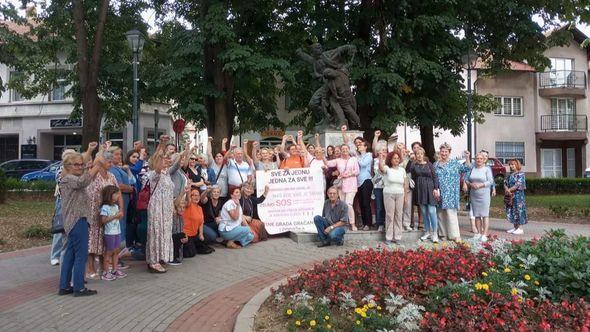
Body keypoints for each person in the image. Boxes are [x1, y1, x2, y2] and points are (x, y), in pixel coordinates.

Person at [58, 142, 104, 297]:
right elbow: (83, 181)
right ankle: (79, 287)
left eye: (80, 165)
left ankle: (64, 286)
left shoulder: (71, 177)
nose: (79, 167)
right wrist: (97, 163)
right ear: (67, 166)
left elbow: (86, 177)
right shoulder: (68, 178)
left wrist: (93, 161)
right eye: (75, 165)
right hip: (77, 220)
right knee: (81, 255)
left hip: (76, 221)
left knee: (71, 254)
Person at [86, 149, 120, 279]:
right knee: (92, 240)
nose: (111, 164)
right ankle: (90, 267)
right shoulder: (94, 173)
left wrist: (119, 208)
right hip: (94, 210)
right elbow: (97, 162)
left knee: (104, 240)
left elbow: (118, 192)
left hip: (107, 210)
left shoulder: (111, 176)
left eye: (112, 161)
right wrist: (101, 150)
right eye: (108, 161)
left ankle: (103, 266)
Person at [146, 136, 175, 273]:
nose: (166, 161)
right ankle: (153, 261)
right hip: (157, 208)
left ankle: (162, 256)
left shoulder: (166, 174)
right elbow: (157, 161)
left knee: (165, 232)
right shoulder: (153, 174)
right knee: (156, 233)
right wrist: (162, 144)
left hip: (167, 208)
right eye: (163, 160)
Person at [434, 143, 471, 242]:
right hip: (439, 192)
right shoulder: (436, 164)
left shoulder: (454, 163)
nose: (444, 153)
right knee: (440, 213)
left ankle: (454, 235)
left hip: (451, 192)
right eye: (442, 151)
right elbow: (433, 177)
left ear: (449, 152)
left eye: (446, 151)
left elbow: (467, 168)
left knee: (451, 213)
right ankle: (443, 234)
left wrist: (467, 157)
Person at [408, 147, 440, 243]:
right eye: (417, 154)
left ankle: (435, 233)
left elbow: (435, 177)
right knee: (424, 212)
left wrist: (436, 188)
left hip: (430, 189)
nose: (419, 155)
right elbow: (411, 176)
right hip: (419, 190)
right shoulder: (414, 165)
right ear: (415, 155)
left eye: (421, 154)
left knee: (431, 211)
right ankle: (427, 232)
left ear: (424, 154)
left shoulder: (429, 164)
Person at [326, 144, 359, 231]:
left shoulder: (353, 159)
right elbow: (327, 163)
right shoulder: (338, 160)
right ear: (340, 151)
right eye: (342, 149)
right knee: (342, 205)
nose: (344, 150)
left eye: (346, 148)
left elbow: (357, 171)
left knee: (349, 204)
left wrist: (347, 174)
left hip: (351, 183)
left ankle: (352, 224)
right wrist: (322, 156)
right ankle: (345, 223)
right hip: (341, 185)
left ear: (348, 149)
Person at [464, 153, 494, 242]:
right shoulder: (472, 168)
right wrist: (470, 184)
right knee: (476, 215)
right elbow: (467, 179)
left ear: (484, 160)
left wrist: (481, 185)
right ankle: (478, 233)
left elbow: (491, 181)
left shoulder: (486, 169)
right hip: (474, 194)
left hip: (484, 194)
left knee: (485, 215)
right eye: (477, 158)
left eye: (481, 158)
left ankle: (484, 234)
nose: (479, 160)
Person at [99, 185, 127, 281]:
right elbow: (103, 220)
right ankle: (106, 271)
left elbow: (118, 217)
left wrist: (119, 216)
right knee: (109, 251)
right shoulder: (105, 207)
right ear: (109, 195)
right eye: (115, 194)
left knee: (116, 250)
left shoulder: (115, 206)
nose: (117, 196)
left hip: (117, 231)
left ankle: (115, 269)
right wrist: (115, 216)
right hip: (109, 233)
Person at [379, 151, 407, 244]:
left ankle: (398, 237)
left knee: (399, 215)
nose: (396, 160)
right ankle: (389, 237)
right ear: (390, 160)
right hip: (389, 193)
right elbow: (381, 168)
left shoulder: (402, 170)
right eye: (394, 158)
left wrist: (406, 196)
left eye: (398, 158)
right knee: (390, 215)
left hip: (400, 194)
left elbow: (405, 183)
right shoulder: (387, 168)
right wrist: (380, 157)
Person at [183, 188, 214, 257]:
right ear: (190, 197)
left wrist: (201, 234)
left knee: (208, 239)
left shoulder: (200, 208)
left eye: (197, 195)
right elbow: (187, 199)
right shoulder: (188, 205)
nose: (196, 197)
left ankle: (194, 245)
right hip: (186, 234)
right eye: (193, 195)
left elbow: (201, 223)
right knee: (191, 254)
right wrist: (188, 191)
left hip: (195, 234)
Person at [504, 159, 527, 235]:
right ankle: (515, 227)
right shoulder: (510, 174)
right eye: (510, 165)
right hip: (510, 195)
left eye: (513, 164)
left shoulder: (521, 174)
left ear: (517, 165)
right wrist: (507, 189)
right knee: (512, 210)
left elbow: (518, 184)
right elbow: (505, 183)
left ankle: (520, 228)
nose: (511, 166)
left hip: (518, 196)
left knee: (518, 210)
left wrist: (509, 190)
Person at [356, 139, 374, 230]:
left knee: (366, 203)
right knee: (361, 203)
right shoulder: (359, 156)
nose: (359, 146)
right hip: (358, 182)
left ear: (366, 147)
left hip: (366, 181)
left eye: (361, 145)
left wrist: (357, 158)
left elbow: (363, 164)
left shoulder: (368, 155)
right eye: (358, 145)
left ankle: (368, 223)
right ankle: (364, 223)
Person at [170, 186, 189, 265]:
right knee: (180, 235)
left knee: (190, 252)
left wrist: (186, 237)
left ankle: (177, 256)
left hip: (177, 240)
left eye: (183, 207)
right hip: (169, 239)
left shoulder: (181, 218)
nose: (181, 209)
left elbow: (188, 202)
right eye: (180, 207)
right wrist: (183, 193)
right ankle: (172, 259)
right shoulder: (173, 214)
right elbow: (175, 203)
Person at [372, 143, 387, 232]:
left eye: (385, 150)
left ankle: (387, 223)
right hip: (378, 186)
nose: (383, 152)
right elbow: (379, 172)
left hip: (388, 186)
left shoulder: (389, 160)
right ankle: (380, 224)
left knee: (387, 206)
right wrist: (381, 160)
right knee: (379, 206)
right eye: (382, 150)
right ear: (378, 152)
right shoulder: (375, 161)